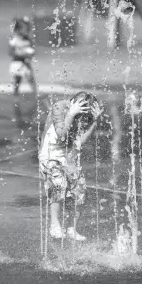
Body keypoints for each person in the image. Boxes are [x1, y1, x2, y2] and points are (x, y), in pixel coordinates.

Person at [39, 91, 101, 241]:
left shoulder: (85, 116)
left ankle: (72, 228)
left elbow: (80, 141)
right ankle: (55, 224)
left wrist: (94, 122)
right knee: (58, 184)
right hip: (51, 153)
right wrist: (71, 114)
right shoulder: (59, 107)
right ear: (73, 104)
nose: (82, 120)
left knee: (80, 191)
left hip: (68, 155)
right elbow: (61, 134)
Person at [8, 16, 36, 128]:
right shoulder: (13, 39)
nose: (25, 30)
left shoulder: (27, 38)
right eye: (22, 28)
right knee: (16, 82)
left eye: (26, 28)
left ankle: (35, 99)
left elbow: (33, 50)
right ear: (18, 29)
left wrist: (30, 54)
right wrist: (24, 54)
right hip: (17, 63)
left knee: (31, 81)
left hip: (26, 64)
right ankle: (16, 101)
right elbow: (11, 53)